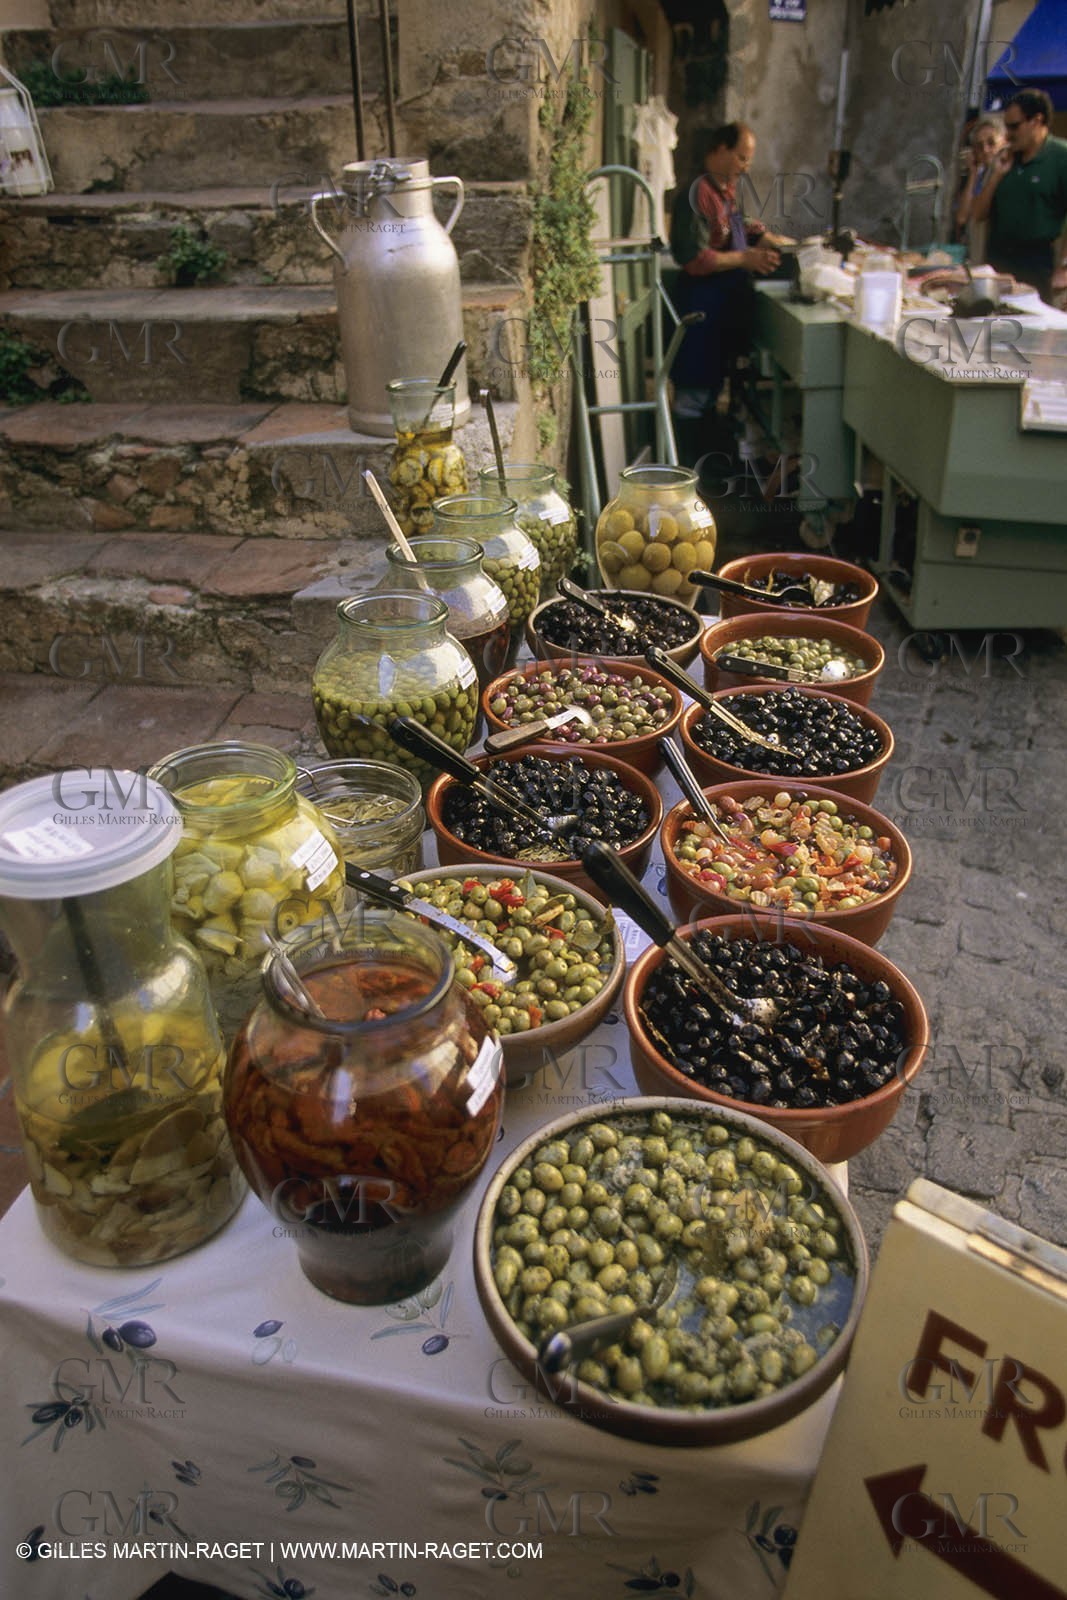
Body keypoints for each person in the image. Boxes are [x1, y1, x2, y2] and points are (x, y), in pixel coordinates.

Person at [668, 123, 789, 455]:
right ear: (719, 149)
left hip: (721, 308)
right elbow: (695, 258)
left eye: (748, 160)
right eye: (741, 158)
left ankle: (707, 461)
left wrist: (764, 238)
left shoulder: (723, 189)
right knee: (693, 391)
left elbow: (737, 223)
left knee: (711, 390)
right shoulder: (697, 194)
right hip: (700, 307)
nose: (745, 167)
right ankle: (688, 466)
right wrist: (745, 258)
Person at [972, 88, 1067, 303]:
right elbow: (977, 214)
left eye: (1014, 126)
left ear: (1036, 121)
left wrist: (1064, 267)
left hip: (1036, 262)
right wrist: (996, 175)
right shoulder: (1004, 157)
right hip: (997, 258)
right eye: (1006, 127)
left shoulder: (1060, 157)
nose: (1008, 134)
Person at [954, 114, 1005, 263]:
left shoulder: (1003, 174)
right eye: (979, 145)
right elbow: (962, 217)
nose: (986, 150)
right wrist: (973, 173)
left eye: (991, 143)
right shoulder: (980, 176)